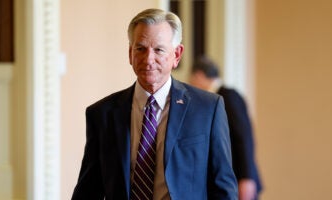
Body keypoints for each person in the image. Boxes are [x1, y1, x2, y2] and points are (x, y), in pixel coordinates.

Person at [71, 8, 238, 200]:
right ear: (130, 53)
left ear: (177, 54)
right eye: (140, 48)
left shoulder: (208, 109)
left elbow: (223, 187)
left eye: (159, 49)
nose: (148, 59)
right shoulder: (102, 114)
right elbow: (88, 189)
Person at [189, 56, 263, 200]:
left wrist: (246, 177)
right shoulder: (216, 99)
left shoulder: (228, 96)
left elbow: (243, 137)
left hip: (240, 178)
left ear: (198, 76)